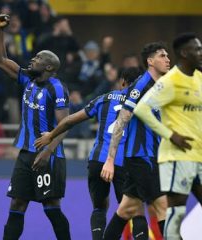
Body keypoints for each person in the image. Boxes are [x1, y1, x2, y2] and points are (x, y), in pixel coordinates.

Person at [34, 67, 141, 239]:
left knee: (99, 208)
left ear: (122, 82)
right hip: (123, 163)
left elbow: (70, 120)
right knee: (134, 210)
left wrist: (51, 135)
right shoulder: (142, 103)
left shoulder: (103, 99)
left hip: (97, 160)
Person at [0, 14, 71, 240]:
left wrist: (47, 151)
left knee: (51, 207)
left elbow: (64, 125)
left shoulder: (57, 89)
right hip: (26, 153)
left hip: (49, 155)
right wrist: (0, 30)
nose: (32, 60)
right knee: (17, 203)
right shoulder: (27, 79)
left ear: (48, 66)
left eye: (37, 59)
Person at [133, 33, 202, 239]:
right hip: (176, 156)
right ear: (184, 53)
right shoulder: (171, 81)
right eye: (197, 49)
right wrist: (170, 135)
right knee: (176, 208)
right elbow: (142, 109)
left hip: (198, 154)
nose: (201, 53)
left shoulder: (199, 78)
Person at [100, 42, 170, 240]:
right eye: (162, 56)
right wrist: (110, 160)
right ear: (150, 61)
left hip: (150, 156)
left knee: (125, 209)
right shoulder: (141, 86)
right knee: (163, 207)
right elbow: (122, 120)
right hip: (142, 158)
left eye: (167, 56)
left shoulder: (161, 86)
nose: (167, 59)